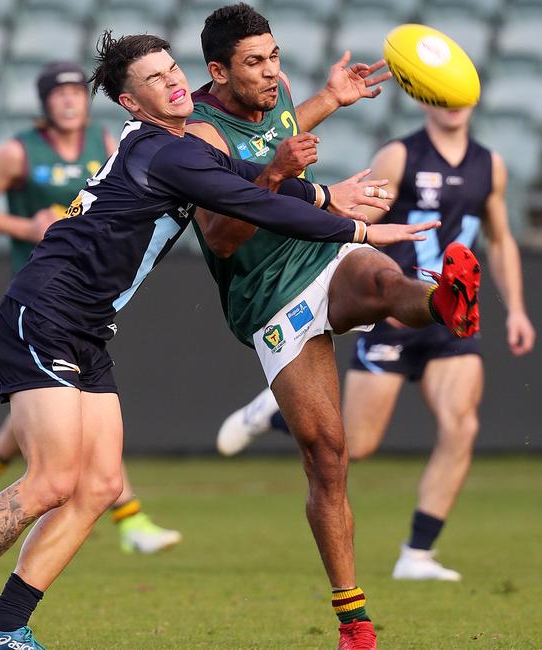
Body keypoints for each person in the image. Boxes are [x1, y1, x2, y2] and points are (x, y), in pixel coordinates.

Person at [0, 33, 440, 650]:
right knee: (51, 481)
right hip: (43, 310)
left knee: (99, 488)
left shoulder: (183, 148)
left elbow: (249, 177)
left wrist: (316, 189)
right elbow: (248, 201)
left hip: (88, 326)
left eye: (171, 68)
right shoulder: (162, 151)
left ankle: (3, 629)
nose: (173, 81)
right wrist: (356, 225)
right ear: (132, 104)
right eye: (154, 79)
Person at [183, 4, 478, 647]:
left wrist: (329, 99)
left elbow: (282, 127)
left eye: (275, 55)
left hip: (319, 247)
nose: (271, 71)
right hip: (265, 296)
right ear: (218, 71)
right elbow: (223, 237)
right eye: (255, 62)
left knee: (383, 283)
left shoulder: (278, 93)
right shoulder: (200, 137)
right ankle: (355, 622)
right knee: (328, 457)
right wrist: (281, 173)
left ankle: (444, 300)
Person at [215, 100, 536, 583]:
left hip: (452, 309)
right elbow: (362, 210)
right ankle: (275, 411)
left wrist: (516, 309)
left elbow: (501, 237)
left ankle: (417, 553)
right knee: (356, 445)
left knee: (461, 425)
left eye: (460, 95)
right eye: (442, 95)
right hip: (395, 305)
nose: (452, 105)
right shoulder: (400, 155)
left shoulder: (489, 164)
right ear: (426, 95)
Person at [0, 60, 181, 555]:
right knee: (69, 427)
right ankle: (132, 519)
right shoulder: (17, 151)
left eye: (75, 93)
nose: (68, 101)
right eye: (57, 94)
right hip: (41, 288)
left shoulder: (109, 143)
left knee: (62, 415)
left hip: (89, 290)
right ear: (44, 104)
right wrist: (24, 226)